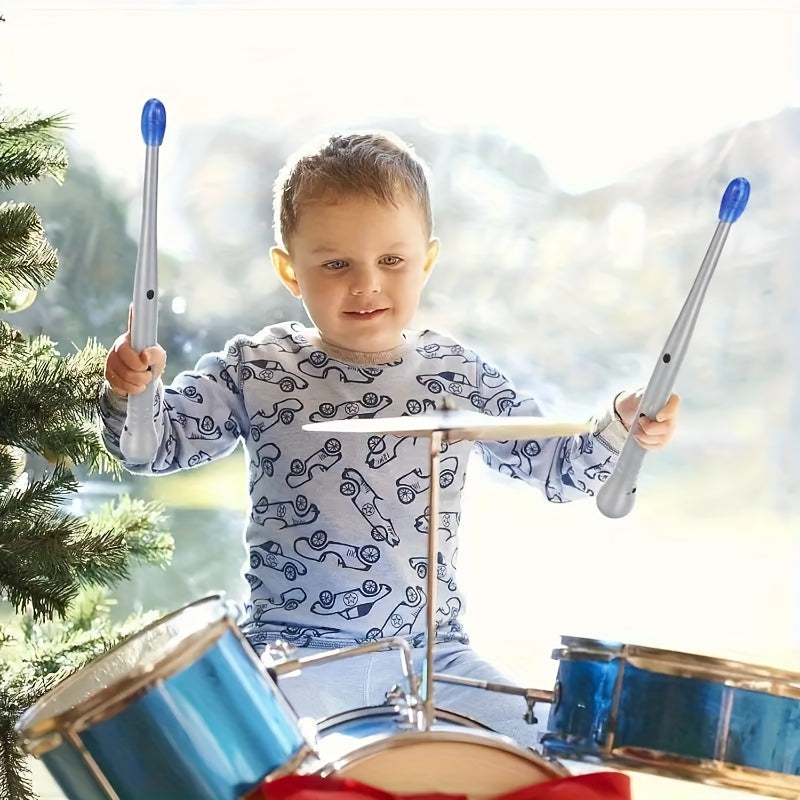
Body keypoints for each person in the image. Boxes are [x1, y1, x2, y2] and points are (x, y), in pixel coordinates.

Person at [99, 130, 680, 754]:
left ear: (426, 261)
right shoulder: (257, 365)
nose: (366, 284)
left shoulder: (456, 373)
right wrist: (135, 391)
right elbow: (153, 447)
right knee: (267, 769)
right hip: (297, 655)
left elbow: (559, 470)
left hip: (435, 656)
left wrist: (621, 425)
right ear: (290, 270)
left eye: (392, 261)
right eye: (336, 264)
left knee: (546, 757)